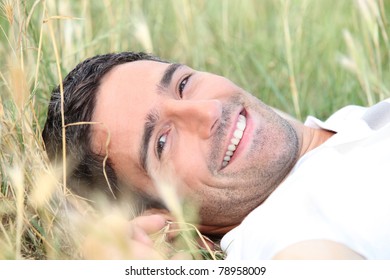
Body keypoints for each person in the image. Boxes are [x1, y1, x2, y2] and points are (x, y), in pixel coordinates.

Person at [42, 51, 390, 259]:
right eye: (161, 142)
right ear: (168, 219)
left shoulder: (345, 124)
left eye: (182, 84)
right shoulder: (280, 229)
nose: (207, 111)